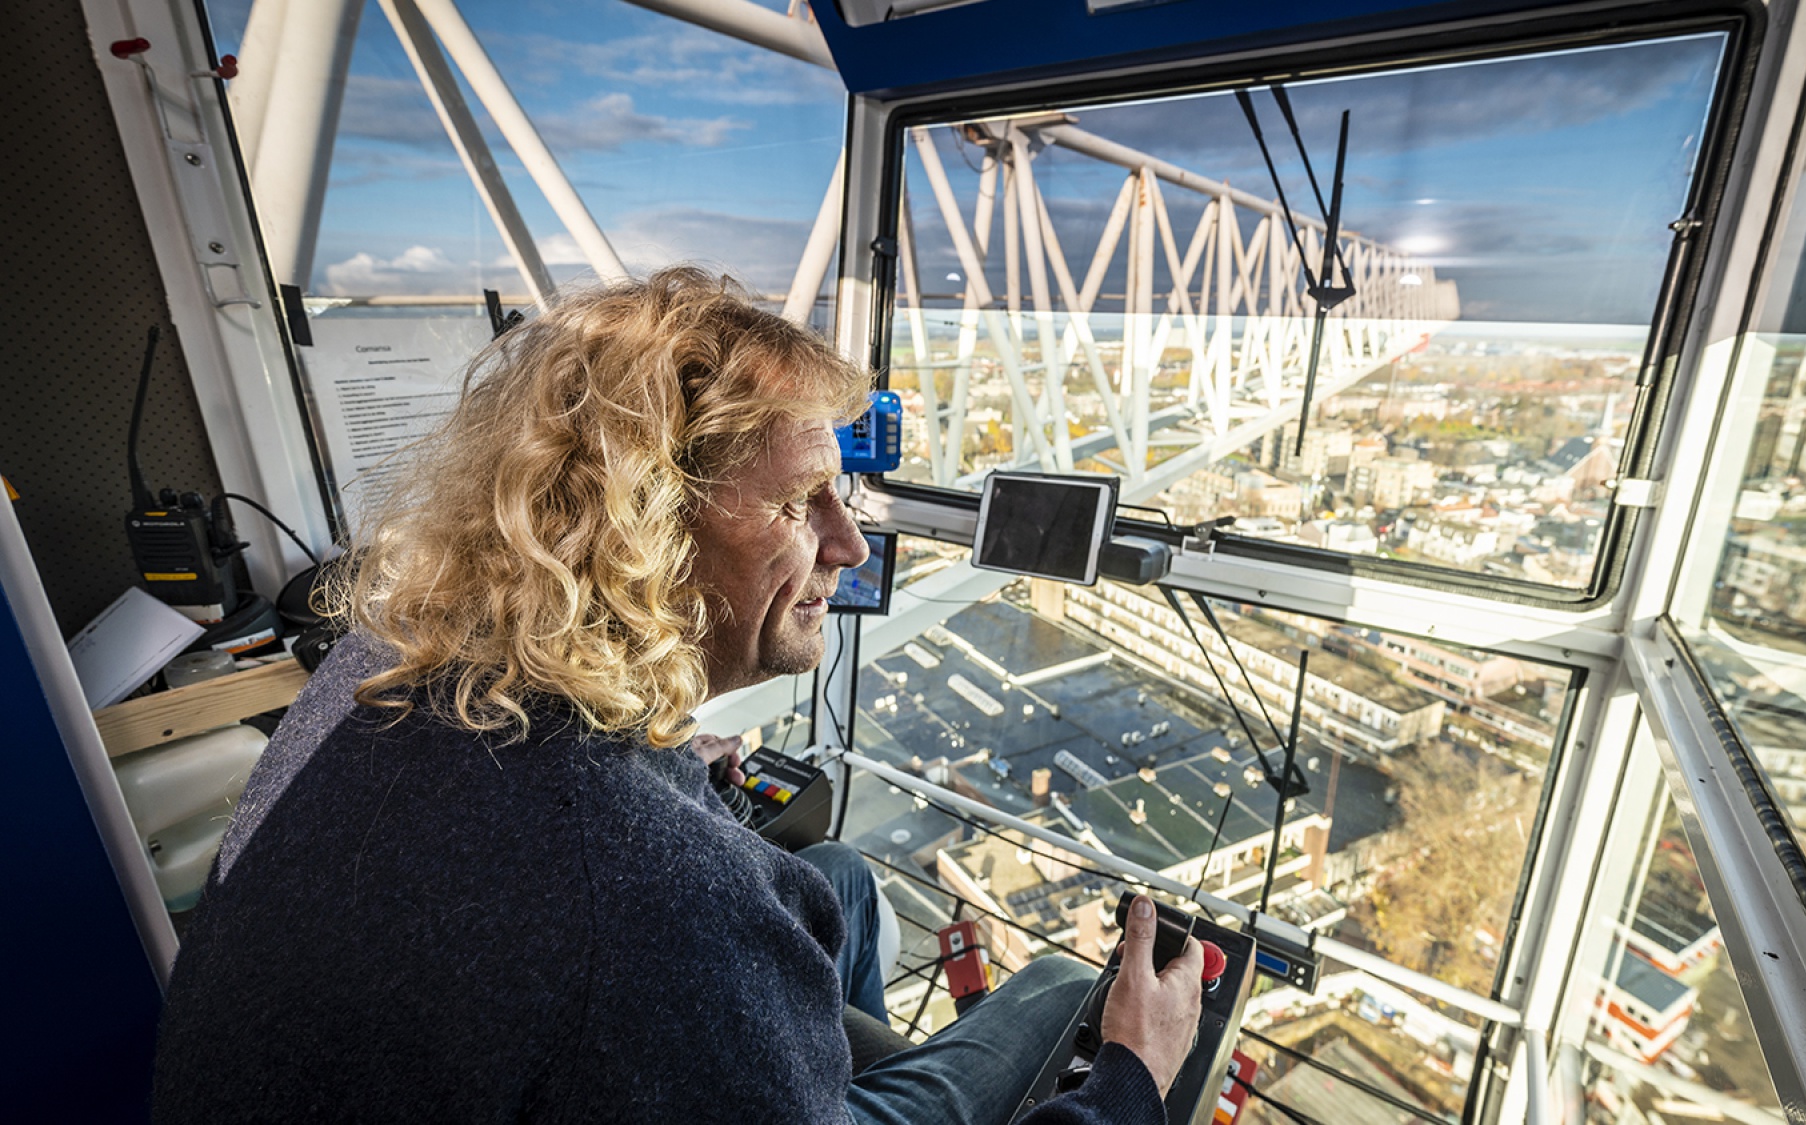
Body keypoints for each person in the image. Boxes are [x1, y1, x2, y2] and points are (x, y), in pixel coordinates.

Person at [151, 267, 1203, 1124]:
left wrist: (661, 773)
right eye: (798, 504)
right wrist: (1129, 1080)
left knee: (839, 878)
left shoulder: (380, 663)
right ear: (639, 532)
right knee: (1079, 997)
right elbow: (622, 901)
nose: (847, 544)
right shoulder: (655, 895)